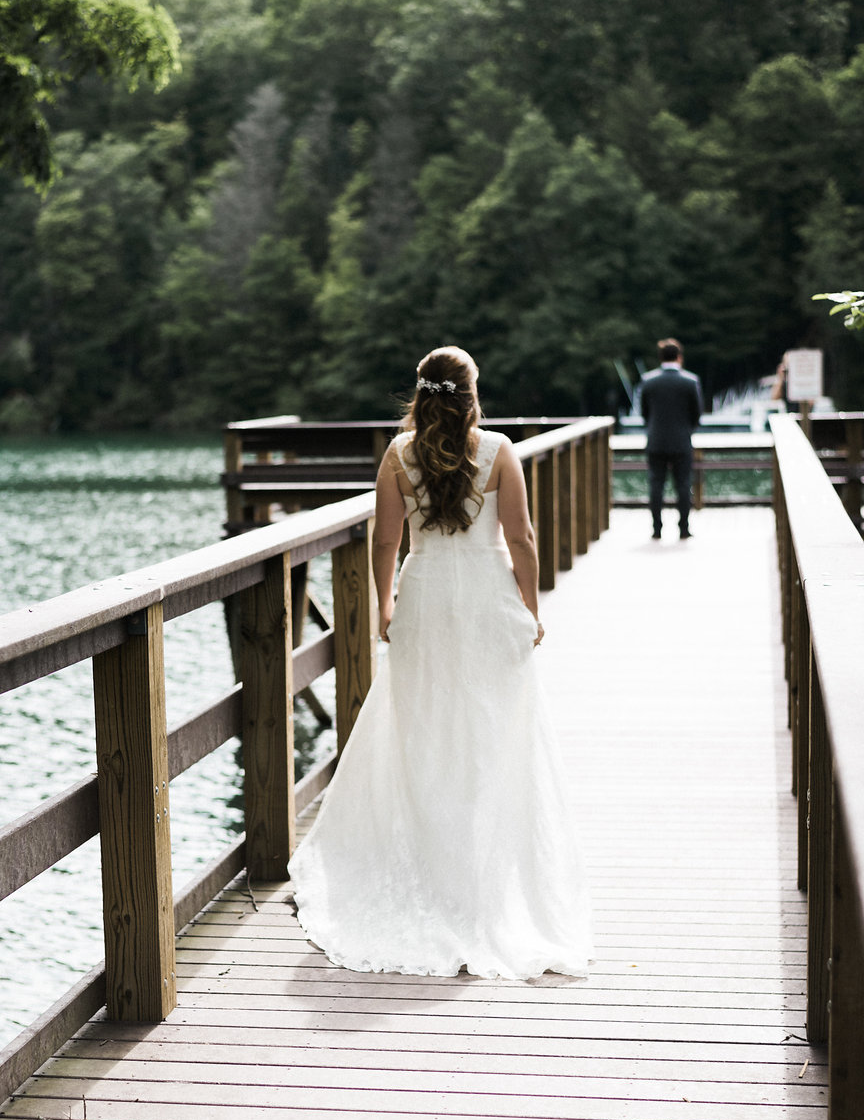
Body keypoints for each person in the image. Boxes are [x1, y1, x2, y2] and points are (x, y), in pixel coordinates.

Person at [289, 346, 592, 980]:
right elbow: (522, 539)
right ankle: (484, 882)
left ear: (422, 393)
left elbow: (385, 540)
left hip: (425, 598)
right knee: (490, 738)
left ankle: (432, 870)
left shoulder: (399, 456)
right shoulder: (500, 450)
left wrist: (384, 605)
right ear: (473, 392)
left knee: (424, 734)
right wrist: (531, 610)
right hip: (487, 600)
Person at [639, 337, 704, 540]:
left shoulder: (648, 381)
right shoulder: (690, 381)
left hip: (656, 440)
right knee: (684, 485)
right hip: (681, 441)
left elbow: (644, 413)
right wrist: (687, 430)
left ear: (660, 357)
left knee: (656, 486)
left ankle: (656, 529)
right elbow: (697, 414)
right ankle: (683, 529)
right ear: (679, 357)